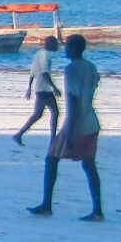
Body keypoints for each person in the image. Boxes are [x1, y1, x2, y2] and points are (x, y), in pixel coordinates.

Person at [30, 34, 103, 221]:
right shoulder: (91, 67)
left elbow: (73, 100)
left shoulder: (71, 70)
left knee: (51, 159)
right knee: (89, 166)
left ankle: (47, 204)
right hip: (92, 121)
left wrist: (69, 132)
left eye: (68, 46)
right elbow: (95, 83)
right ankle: (97, 210)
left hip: (77, 124)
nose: (65, 48)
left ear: (73, 49)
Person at [14, 36, 60, 145]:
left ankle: (19, 134)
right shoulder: (46, 55)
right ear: (50, 44)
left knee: (38, 115)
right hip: (44, 90)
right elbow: (44, 73)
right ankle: (53, 139)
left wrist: (29, 88)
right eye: (55, 44)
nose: (57, 46)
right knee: (54, 112)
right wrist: (54, 88)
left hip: (39, 89)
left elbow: (32, 73)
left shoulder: (38, 53)